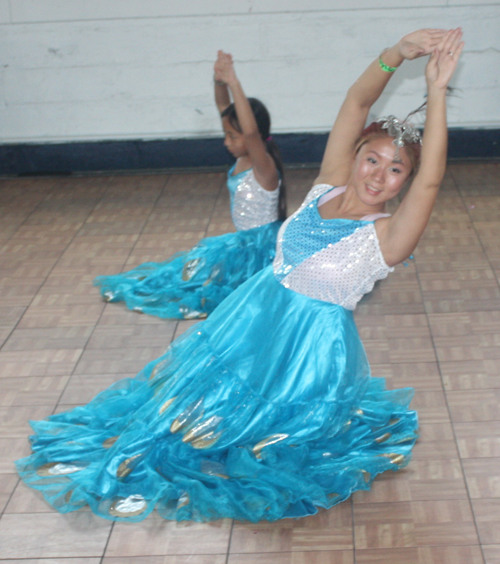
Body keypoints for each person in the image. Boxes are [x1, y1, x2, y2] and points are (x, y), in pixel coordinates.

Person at [16, 28, 463, 522]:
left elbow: (434, 177)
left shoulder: (388, 236)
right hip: (252, 318)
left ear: (405, 181)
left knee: (258, 441)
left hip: (307, 351)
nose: (379, 174)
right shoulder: (326, 185)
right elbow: (356, 103)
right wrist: (395, 54)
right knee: (181, 417)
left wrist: (437, 92)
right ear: (354, 155)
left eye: (396, 170)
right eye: (372, 159)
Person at [93, 50, 286, 319]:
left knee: (220, 291)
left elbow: (251, 132)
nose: (225, 142)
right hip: (241, 243)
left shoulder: (263, 167)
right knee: (187, 274)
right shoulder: (244, 157)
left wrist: (235, 82)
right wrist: (219, 80)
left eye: (232, 136)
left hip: (262, 248)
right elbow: (223, 108)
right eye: (225, 135)